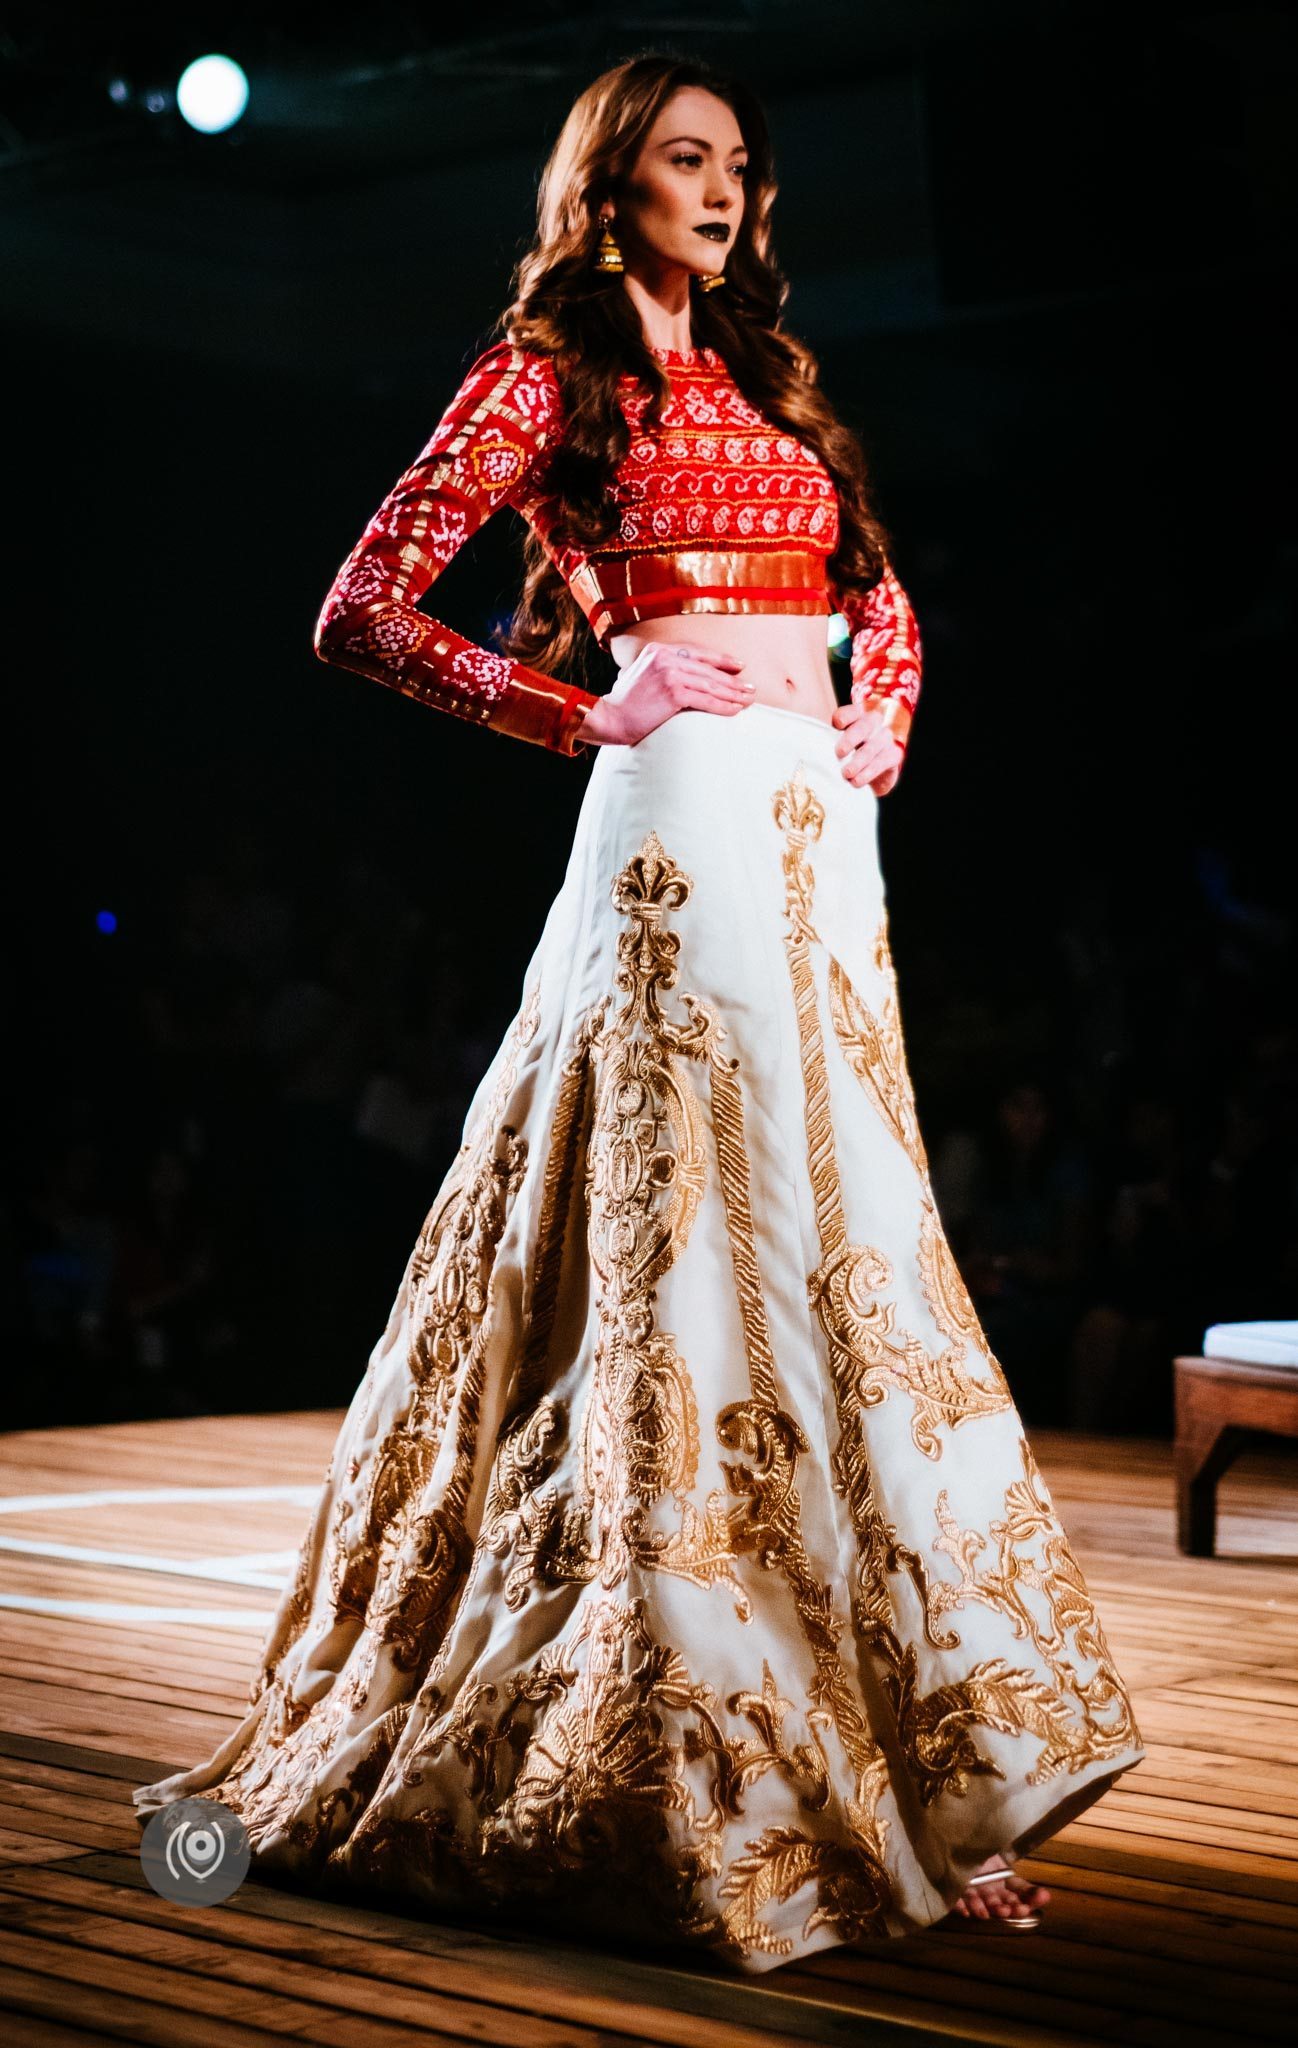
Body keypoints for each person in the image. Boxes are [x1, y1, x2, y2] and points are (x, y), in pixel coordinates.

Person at [133, 53, 1144, 1971]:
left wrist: (884, 714)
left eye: (741, 164)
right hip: (676, 819)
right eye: (686, 159)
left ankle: (899, 1785)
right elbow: (363, 605)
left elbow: (884, 593)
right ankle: (727, 1769)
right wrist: (572, 707)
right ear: (609, 184)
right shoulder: (550, 374)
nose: (725, 189)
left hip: (816, 832)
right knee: (697, 1253)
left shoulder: (770, 383)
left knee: (838, 1255)